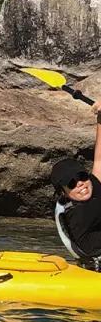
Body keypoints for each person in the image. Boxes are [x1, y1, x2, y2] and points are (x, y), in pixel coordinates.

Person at [51, 102, 101, 271]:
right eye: (71, 183)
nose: (80, 183)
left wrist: (100, 119)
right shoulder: (77, 214)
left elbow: (100, 159)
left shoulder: (90, 186)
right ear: (63, 193)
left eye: (82, 176)